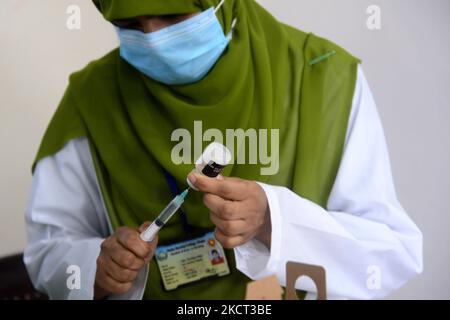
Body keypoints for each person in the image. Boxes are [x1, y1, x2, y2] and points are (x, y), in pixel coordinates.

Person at [24, 0, 422, 300]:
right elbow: (47, 251)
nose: (154, 40)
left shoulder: (323, 78)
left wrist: (273, 221)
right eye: (129, 25)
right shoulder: (92, 99)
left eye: (174, 17)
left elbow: (390, 254)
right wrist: (96, 265)